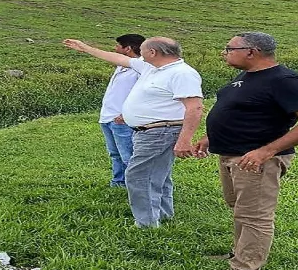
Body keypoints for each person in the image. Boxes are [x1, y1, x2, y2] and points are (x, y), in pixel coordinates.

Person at [195, 32, 298, 270]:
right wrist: (212, 136)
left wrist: (267, 150)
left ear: (251, 51)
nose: (224, 53)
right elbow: (244, 112)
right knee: (240, 208)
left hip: (256, 160)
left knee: (254, 214)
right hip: (231, 154)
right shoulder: (247, 76)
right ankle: (240, 253)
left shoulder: (284, 80)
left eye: (229, 48)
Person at [64, 37, 203, 228]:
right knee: (157, 175)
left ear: (153, 53)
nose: (139, 54)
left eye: (143, 50)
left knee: (138, 175)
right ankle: (163, 216)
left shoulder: (182, 73)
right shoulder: (150, 68)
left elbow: (194, 107)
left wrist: (184, 140)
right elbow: (117, 58)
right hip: (149, 131)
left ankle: (146, 225)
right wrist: (86, 48)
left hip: (161, 131)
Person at [98, 34, 146, 188]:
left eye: (118, 46)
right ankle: (119, 182)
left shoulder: (141, 67)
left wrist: (126, 114)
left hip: (122, 119)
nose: (115, 49)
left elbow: (142, 94)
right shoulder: (122, 66)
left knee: (128, 155)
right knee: (115, 154)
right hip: (108, 117)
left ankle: (137, 185)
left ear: (128, 48)